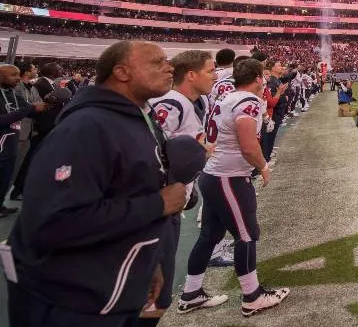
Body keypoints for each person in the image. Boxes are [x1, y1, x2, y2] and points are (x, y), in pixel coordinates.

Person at [6, 41, 188, 327]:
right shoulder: (86, 127)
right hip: (74, 302)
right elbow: (55, 222)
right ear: (122, 72)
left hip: (114, 288)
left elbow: (125, 190)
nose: (170, 67)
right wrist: (159, 203)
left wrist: (146, 263)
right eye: (157, 61)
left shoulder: (135, 117)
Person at [179, 58, 290, 318]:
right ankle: (252, 296)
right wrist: (263, 166)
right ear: (258, 77)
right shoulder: (247, 101)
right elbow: (248, 144)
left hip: (214, 174)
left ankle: (190, 293)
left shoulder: (227, 97)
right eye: (262, 76)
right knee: (247, 234)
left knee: (210, 236)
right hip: (228, 176)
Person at [146, 50, 224, 322]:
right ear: (191, 75)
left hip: (177, 195)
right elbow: (152, 149)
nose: (215, 76)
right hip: (161, 203)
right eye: (210, 71)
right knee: (153, 292)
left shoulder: (194, 101)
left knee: (158, 289)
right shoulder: (172, 103)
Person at [10, 62, 67, 201]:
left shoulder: (47, 85)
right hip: (39, 129)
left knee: (32, 159)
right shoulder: (41, 84)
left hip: (42, 128)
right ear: (51, 71)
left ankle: (22, 188)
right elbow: (36, 107)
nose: (61, 70)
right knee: (26, 160)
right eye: (58, 68)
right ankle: (18, 189)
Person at [0, 64, 50, 217]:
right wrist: (29, 109)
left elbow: (32, 110)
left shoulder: (13, 94)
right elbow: (2, 120)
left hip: (12, 144)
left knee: (6, 179)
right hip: (1, 145)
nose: (17, 77)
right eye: (13, 75)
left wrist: (49, 105)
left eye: (17, 74)